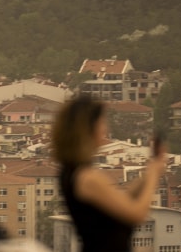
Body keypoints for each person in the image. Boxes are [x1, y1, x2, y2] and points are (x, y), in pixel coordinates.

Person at [52, 95, 166, 252]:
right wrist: (154, 175)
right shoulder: (88, 178)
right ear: (89, 129)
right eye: (102, 123)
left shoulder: (73, 172)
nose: (105, 129)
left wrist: (149, 173)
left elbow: (122, 201)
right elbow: (137, 214)